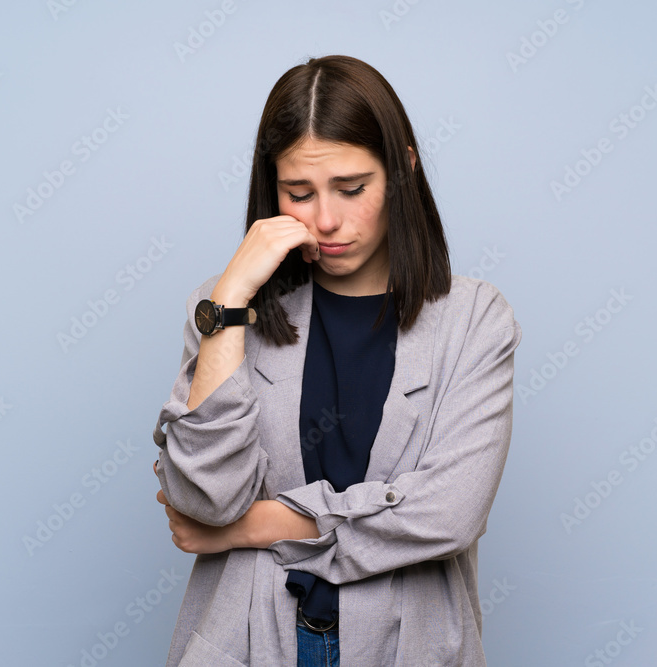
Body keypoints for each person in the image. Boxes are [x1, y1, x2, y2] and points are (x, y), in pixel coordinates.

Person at [151, 54, 521, 667]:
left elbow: (449, 515)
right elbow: (205, 501)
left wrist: (254, 527)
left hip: (410, 645)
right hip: (244, 641)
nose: (325, 221)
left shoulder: (474, 319)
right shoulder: (221, 308)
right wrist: (231, 302)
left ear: (402, 168)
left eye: (352, 189)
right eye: (299, 193)